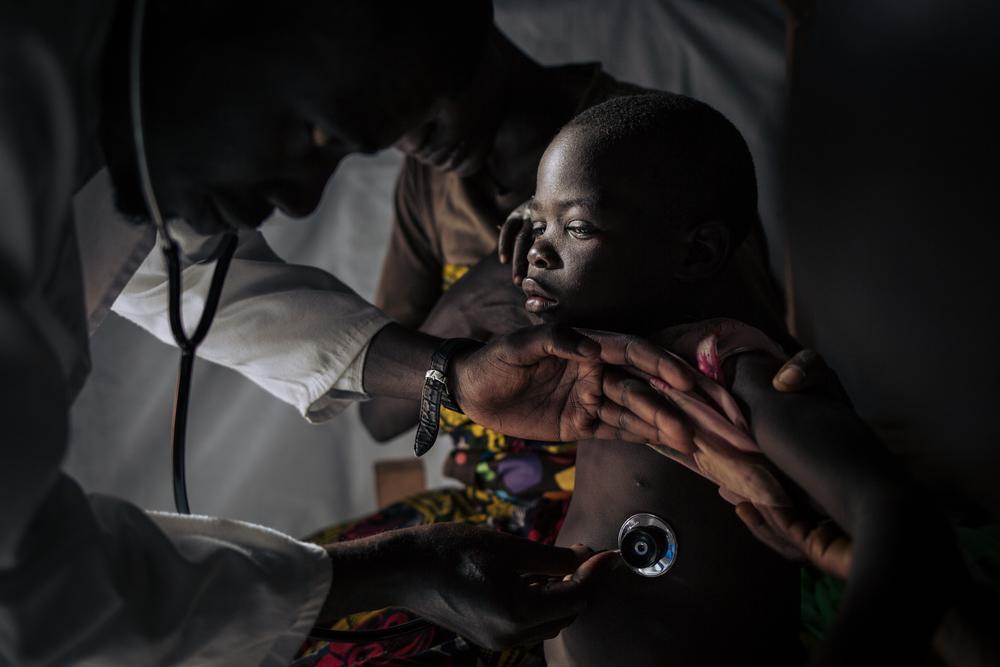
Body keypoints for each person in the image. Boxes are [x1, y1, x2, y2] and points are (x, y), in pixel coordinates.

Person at [0, 2, 706, 664]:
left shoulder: (646, 154)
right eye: (320, 133)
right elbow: (31, 595)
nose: (302, 198)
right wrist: (387, 570)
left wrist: (450, 372)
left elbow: (180, 273)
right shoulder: (22, 131)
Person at [517, 94, 964, 666]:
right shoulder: (597, 356)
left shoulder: (729, 368)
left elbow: (899, 520)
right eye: (538, 222)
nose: (538, 250)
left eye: (575, 227)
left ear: (698, 252)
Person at [359, 22, 788, 441]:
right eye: (387, 127)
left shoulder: (654, 145)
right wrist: (460, 312)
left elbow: (752, 351)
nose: (413, 142)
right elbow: (378, 415)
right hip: (496, 496)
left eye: (578, 227)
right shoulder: (426, 183)